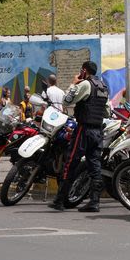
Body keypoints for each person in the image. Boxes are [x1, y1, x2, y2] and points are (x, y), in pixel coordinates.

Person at [49, 60, 110, 213]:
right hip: (98, 132)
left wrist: (74, 84)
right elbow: (106, 110)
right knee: (95, 165)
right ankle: (94, 202)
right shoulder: (103, 87)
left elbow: (67, 100)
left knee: (70, 163)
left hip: (84, 130)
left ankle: (59, 200)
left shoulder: (85, 84)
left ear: (84, 70)